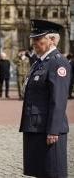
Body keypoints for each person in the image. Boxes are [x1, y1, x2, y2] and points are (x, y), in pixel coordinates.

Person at [19, 19, 71, 178]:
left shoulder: (57, 63)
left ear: (52, 40)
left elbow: (59, 99)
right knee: (40, 173)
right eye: (33, 38)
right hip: (36, 128)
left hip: (48, 130)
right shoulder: (38, 63)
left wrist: (53, 129)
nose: (33, 42)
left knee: (52, 173)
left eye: (38, 38)